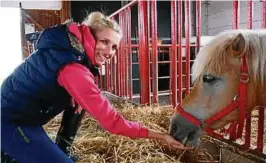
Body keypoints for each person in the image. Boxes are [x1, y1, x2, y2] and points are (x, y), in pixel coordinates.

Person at [1, 11, 191, 163]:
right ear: (88, 36)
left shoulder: (69, 51)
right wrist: (160, 136)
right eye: (104, 42)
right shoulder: (73, 67)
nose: (109, 52)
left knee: (79, 101)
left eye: (114, 47)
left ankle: (59, 148)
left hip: (25, 115)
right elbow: (113, 122)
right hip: (11, 121)